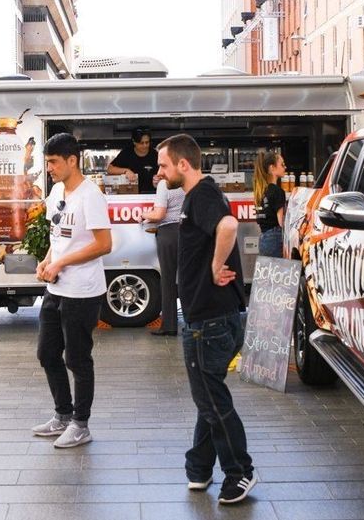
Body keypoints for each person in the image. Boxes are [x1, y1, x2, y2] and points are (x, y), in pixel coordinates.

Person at [155, 134, 256, 505]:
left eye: (164, 165)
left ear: (183, 165)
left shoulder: (202, 195)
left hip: (210, 320)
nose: (159, 172)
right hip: (210, 315)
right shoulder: (197, 197)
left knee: (211, 398)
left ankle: (240, 471)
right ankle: (199, 467)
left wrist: (216, 266)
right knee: (207, 393)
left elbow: (228, 226)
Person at [31, 133, 113, 448]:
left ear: (71, 160)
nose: (48, 167)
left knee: (77, 359)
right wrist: (46, 261)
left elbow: (104, 245)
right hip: (57, 287)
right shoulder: (56, 192)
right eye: (47, 161)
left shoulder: (90, 196)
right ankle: (62, 416)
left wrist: (61, 262)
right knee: (47, 353)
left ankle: (81, 425)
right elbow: (57, 238)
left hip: (83, 291)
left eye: (53, 162)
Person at [143, 174, 185, 336]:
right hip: (187, 231)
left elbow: (159, 214)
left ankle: (169, 326)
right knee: (186, 278)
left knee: (167, 280)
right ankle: (191, 324)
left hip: (168, 233)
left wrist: (145, 214)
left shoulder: (164, 184)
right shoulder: (187, 180)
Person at [254, 151, 288, 259]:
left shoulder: (260, 191)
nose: (285, 167)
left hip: (263, 239)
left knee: (268, 274)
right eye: (282, 164)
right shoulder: (278, 191)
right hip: (276, 238)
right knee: (280, 273)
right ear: (272, 168)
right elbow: (281, 222)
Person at [107, 126, 159, 194]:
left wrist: (159, 179)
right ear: (134, 142)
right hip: (131, 195)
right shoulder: (127, 153)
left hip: (151, 195)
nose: (145, 145)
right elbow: (110, 169)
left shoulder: (155, 154)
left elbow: (165, 173)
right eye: (141, 143)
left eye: (147, 142)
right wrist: (126, 171)